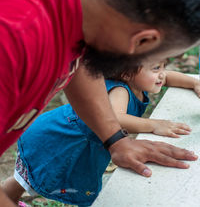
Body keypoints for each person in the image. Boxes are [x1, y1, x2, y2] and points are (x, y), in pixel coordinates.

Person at [1, 0, 200, 205]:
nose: (161, 71)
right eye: (158, 61)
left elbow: (80, 49)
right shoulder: (13, 48)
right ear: (142, 41)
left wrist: (115, 139)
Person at [2, 61, 200, 206]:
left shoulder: (138, 79)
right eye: (156, 68)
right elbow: (116, 117)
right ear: (127, 73)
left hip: (80, 140)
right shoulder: (121, 90)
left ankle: (8, 196)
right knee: (31, 178)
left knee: (27, 177)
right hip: (64, 141)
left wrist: (193, 83)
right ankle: (6, 196)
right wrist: (153, 125)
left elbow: (168, 77)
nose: (162, 74)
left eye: (163, 66)